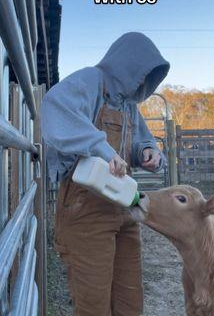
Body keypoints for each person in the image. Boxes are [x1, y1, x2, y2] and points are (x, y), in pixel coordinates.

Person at [41, 32, 170, 316]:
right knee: (94, 305)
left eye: (147, 78)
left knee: (129, 301)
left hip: (124, 208)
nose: (141, 83)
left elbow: (141, 141)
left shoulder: (129, 107)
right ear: (126, 64)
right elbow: (55, 108)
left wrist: (149, 153)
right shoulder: (90, 81)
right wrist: (103, 149)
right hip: (85, 210)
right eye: (140, 74)